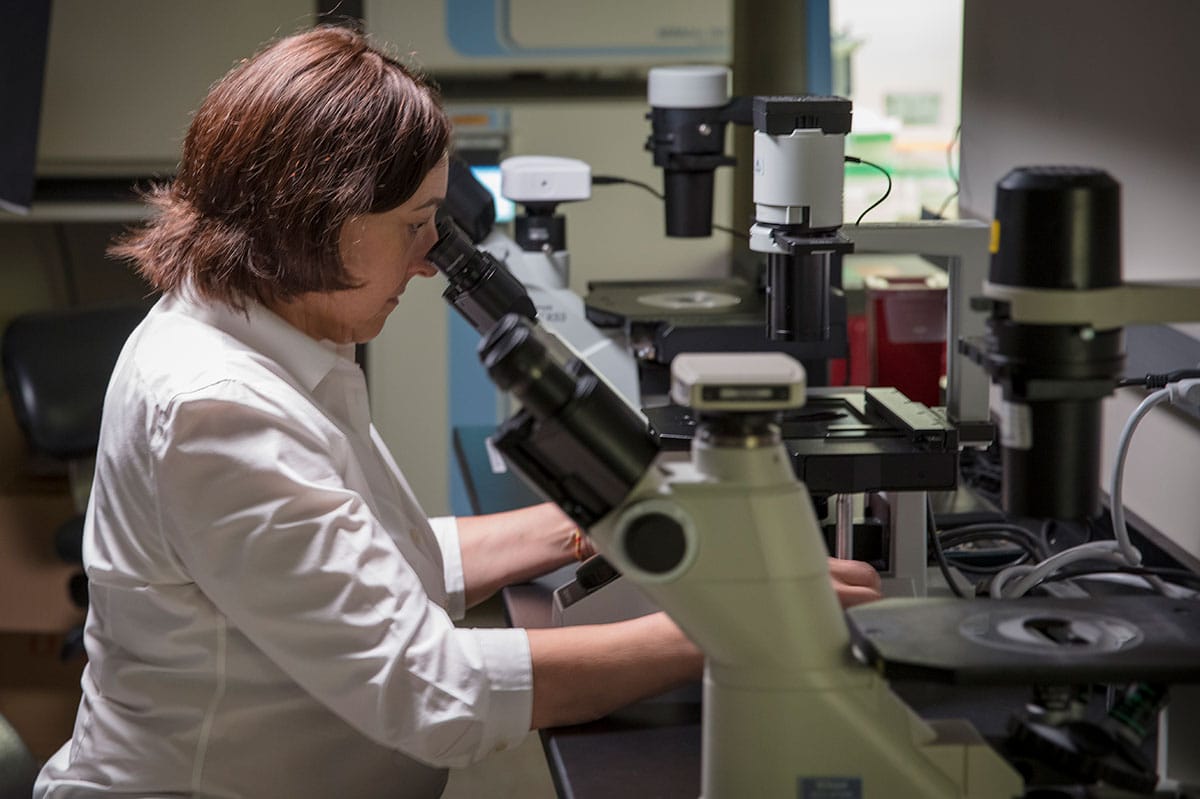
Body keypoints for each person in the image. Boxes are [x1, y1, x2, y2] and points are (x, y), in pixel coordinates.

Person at [34, 25, 882, 799]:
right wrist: (742, 626)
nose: (431, 263)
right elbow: (432, 690)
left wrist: (588, 523)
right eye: (414, 226)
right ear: (317, 217)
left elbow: (369, 559)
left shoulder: (265, 332)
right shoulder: (216, 408)